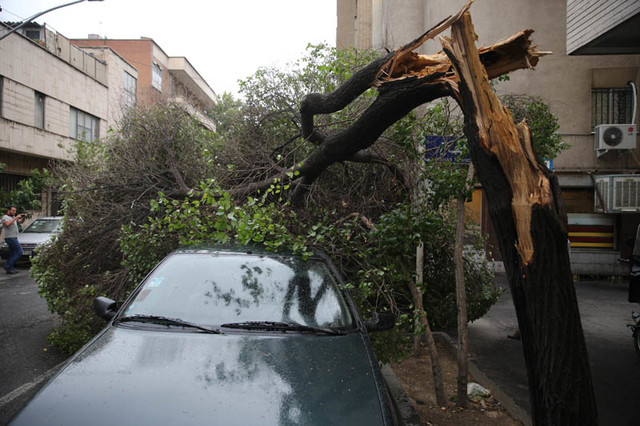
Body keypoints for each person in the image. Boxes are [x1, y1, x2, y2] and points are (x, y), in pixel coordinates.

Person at [2, 206, 25, 274]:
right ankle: (8, 265)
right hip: (10, 238)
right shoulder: (5, 217)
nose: (14, 212)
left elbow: (20, 221)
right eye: (13, 211)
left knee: (13, 253)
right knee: (19, 252)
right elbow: (7, 224)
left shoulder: (12, 217)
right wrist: (15, 218)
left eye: (15, 211)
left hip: (14, 237)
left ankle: (10, 268)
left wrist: (23, 217)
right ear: (8, 210)